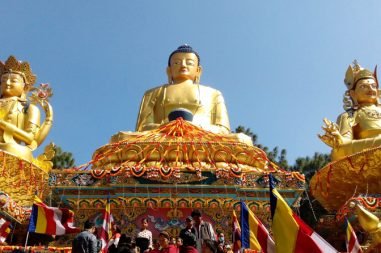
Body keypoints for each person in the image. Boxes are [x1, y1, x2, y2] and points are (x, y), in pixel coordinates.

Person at [319, 61, 381, 160]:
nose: (370, 89)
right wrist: (338, 140)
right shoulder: (349, 115)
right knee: (339, 150)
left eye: (373, 86)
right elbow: (344, 145)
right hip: (371, 150)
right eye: (363, 86)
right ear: (353, 94)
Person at [0, 55, 53, 162]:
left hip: (11, 147)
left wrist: (3, 124)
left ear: (24, 86)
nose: (7, 83)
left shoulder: (29, 108)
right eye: (4, 80)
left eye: (14, 81)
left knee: (20, 151)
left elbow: (29, 138)